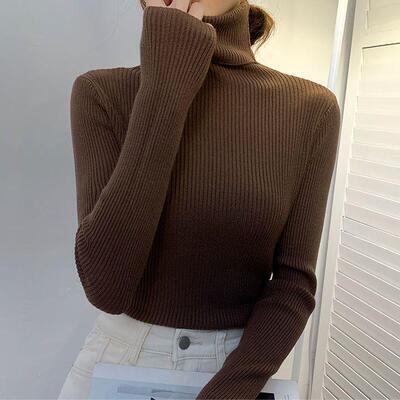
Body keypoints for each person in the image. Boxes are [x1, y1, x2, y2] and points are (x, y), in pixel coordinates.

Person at [58, 0, 341, 398]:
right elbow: (107, 287)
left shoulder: (311, 108)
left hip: (233, 373)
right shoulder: (101, 93)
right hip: (119, 361)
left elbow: (293, 284)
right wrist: (165, 85)